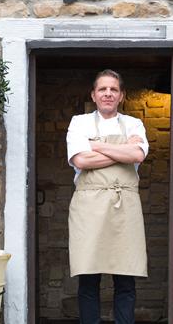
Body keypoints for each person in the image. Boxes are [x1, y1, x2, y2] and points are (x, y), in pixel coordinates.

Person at [66, 69, 149, 324]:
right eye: (102, 89)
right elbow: (80, 159)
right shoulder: (78, 122)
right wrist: (123, 148)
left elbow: (137, 156)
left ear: (121, 95)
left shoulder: (134, 124)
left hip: (124, 206)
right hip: (88, 208)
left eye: (113, 89)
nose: (108, 94)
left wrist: (95, 145)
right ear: (94, 94)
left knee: (125, 278)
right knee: (89, 278)